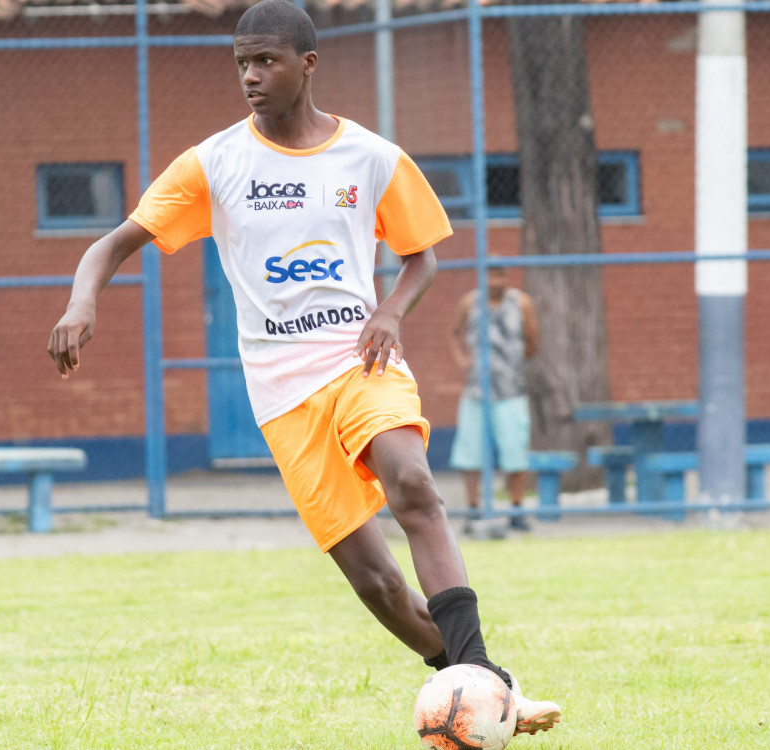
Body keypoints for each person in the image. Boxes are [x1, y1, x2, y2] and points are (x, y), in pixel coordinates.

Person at [48, 0, 560, 736]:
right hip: (283, 394)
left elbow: (423, 256)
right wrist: (81, 304)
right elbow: (113, 243)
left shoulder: (372, 157)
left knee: (412, 482)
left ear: (308, 64)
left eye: (266, 61)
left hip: (362, 357)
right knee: (378, 584)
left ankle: (477, 683)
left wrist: (388, 312)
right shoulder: (215, 163)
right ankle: (496, 693)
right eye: (241, 64)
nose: (251, 77)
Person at [448, 265, 540, 533]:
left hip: (511, 391)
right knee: (470, 451)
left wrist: (512, 365)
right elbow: (454, 332)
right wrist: (462, 359)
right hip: (477, 390)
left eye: (499, 276)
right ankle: (473, 509)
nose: (494, 282)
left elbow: (533, 340)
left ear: (506, 278)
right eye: (489, 276)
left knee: (515, 451)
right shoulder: (470, 302)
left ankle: (516, 509)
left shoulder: (520, 302)